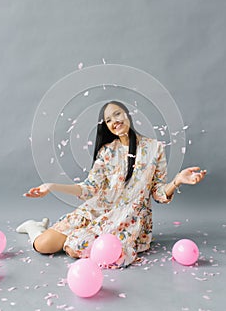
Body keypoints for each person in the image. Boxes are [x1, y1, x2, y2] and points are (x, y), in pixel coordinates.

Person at [16, 101, 206, 268]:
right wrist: (52, 186)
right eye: (108, 120)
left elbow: (158, 192)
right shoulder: (107, 151)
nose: (114, 120)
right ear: (107, 127)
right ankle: (35, 226)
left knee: (75, 248)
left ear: (127, 115)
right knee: (43, 245)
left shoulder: (154, 148)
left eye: (117, 114)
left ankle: (71, 234)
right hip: (97, 210)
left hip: (127, 219)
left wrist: (177, 181)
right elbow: (89, 188)